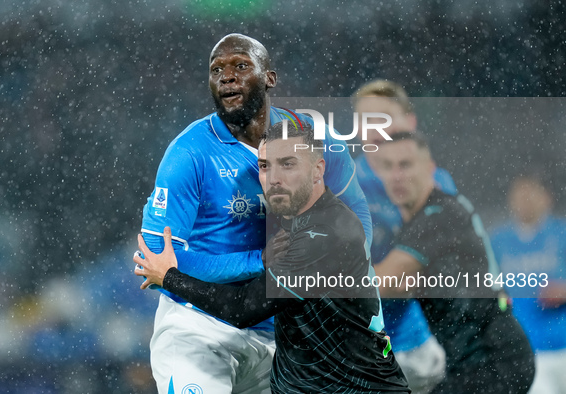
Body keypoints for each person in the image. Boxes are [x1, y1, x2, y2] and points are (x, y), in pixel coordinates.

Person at [139, 34, 372, 393]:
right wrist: (258, 260)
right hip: (198, 326)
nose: (227, 77)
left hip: (281, 332)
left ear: (269, 78)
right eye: (217, 70)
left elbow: (357, 220)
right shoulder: (189, 153)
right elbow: (158, 259)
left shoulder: (315, 139)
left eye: (240, 66)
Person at [134, 122, 410, 393]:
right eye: (265, 166)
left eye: (288, 164)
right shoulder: (302, 221)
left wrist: (169, 277)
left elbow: (242, 309)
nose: (274, 178)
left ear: (318, 170)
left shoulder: (324, 235)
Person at [373, 132, 535, 393]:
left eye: (405, 164)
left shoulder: (437, 215)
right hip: (477, 362)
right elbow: (401, 284)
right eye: (387, 167)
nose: (396, 175)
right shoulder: (435, 214)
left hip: (493, 360)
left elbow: (384, 282)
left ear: (429, 168)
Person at [352, 79, 451, 393]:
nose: (373, 129)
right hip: (356, 345)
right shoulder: (340, 183)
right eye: (364, 121)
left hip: (418, 344)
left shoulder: (439, 185)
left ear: (410, 122)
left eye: (382, 118)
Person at [491, 174, 566, 394]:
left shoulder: (562, 234)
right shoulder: (498, 241)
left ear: (547, 197)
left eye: (531, 192)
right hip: (527, 350)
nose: (525, 200)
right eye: (519, 194)